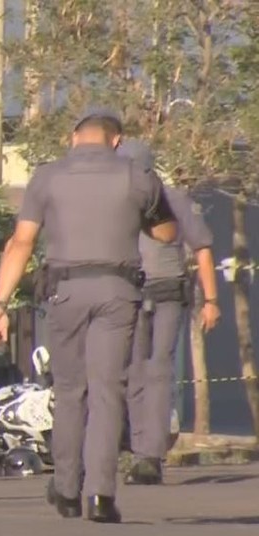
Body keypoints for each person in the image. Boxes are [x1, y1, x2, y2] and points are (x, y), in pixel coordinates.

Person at [0, 108, 178, 524]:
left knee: (70, 389)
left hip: (64, 291)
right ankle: (101, 496)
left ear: (73, 139)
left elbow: (20, 242)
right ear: (116, 141)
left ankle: (68, 488)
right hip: (117, 290)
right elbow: (167, 233)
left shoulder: (47, 177)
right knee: (108, 389)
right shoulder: (137, 175)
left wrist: (0, 304)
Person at [117, 140, 220, 485]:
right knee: (134, 373)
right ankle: (140, 448)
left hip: (166, 293)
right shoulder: (118, 200)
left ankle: (151, 456)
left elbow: (203, 249)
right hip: (128, 293)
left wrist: (212, 300)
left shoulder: (174, 199)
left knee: (158, 371)